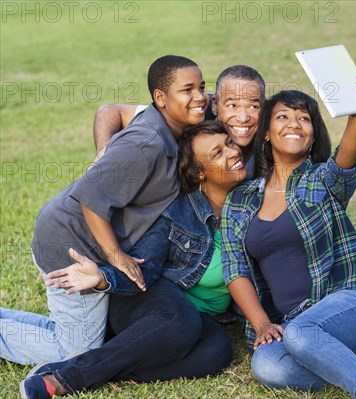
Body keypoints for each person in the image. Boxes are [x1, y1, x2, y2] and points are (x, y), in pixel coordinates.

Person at [221, 77, 356, 399]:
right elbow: (235, 267)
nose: (295, 124)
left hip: (351, 304)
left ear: (312, 134)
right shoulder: (240, 199)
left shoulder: (321, 181)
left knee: (300, 334)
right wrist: (263, 324)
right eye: (283, 117)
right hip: (291, 322)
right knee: (267, 365)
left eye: (304, 118)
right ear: (265, 132)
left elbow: (345, 160)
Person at [0, 55, 208, 366]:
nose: (200, 97)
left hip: (80, 240)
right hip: (70, 244)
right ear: (160, 98)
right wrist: (115, 256)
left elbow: (110, 110)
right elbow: (91, 199)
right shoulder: (146, 143)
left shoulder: (164, 124)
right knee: (75, 352)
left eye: (203, 87)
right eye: (187, 89)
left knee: (75, 337)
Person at [19, 121, 246, 398]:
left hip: (199, 316)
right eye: (218, 153)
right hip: (146, 299)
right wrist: (103, 279)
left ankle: (106, 362)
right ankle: (61, 379)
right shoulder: (177, 212)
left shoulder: (250, 203)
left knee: (217, 351)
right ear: (199, 173)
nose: (233, 153)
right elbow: (145, 269)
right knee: (180, 321)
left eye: (230, 144)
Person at [93, 65, 264, 177]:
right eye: (232, 105)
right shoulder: (196, 112)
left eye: (253, 106)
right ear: (215, 106)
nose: (243, 118)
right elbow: (109, 112)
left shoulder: (271, 131)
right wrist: (103, 152)